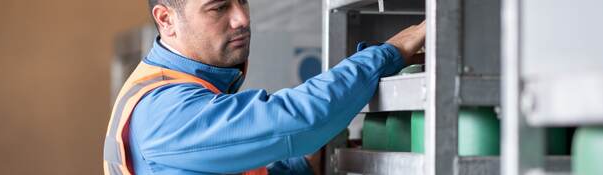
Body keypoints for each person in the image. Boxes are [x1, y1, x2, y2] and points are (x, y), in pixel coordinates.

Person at [102, 0, 426, 174]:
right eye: (219, 7)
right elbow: (300, 119)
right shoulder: (164, 111)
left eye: (242, 0)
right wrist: (391, 51)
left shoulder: (170, 86)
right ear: (166, 19)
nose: (242, 18)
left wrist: (302, 167)